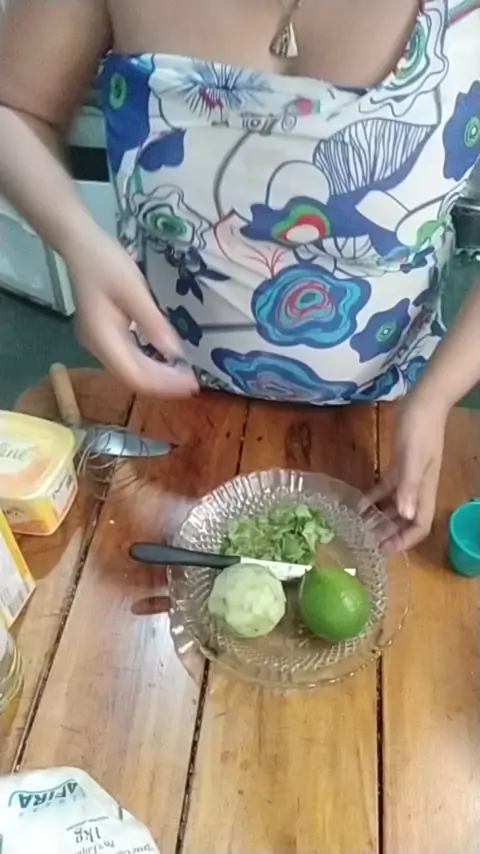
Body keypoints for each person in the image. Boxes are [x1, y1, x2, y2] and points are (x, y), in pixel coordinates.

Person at [0, 0, 479, 554]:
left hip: (387, 417)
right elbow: (16, 109)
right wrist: (79, 243)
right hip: (161, 399)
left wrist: (435, 398)